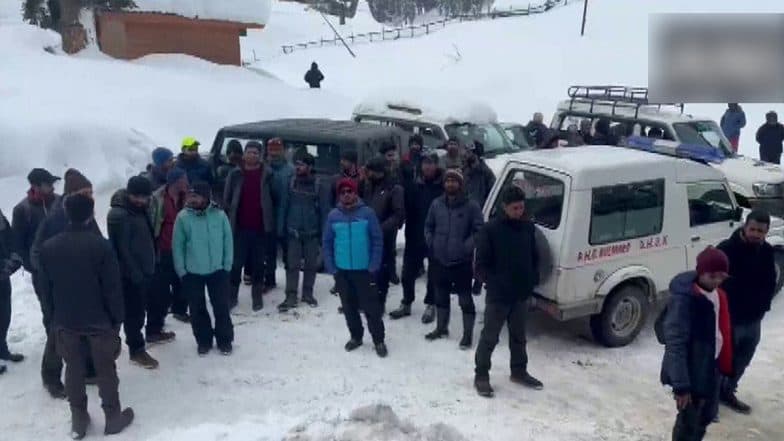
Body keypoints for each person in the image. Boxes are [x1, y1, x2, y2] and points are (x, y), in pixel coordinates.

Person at [38, 194, 134, 438]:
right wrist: (116, 320)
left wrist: (53, 317)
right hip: (99, 320)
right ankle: (112, 416)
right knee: (105, 369)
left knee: (73, 369)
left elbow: (45, 288)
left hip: (66, 320)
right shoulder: (100, 246)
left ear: (66, 214)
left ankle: (78, 418)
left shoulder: (49, 248)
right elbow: (112, 288)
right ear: (91, 214)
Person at [30, 168, 100, 398]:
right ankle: (51, 377)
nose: (91, 196)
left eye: (91, 191)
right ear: (72, 194)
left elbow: (97, 241)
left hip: (83, 281)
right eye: (85, 192)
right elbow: (37, 253)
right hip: (58, 285)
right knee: (57, 330)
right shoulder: (56, 218)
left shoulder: (85, 212)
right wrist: (51, 277)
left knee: (87, 325)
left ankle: (90, 369)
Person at [473, 186, 541, 398]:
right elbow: (480, 265)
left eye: (521, 207)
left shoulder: (528, 228)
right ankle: (481, 375)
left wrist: (532, 280)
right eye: (514, 208)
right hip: (499, 296)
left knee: (519, 337)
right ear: (504, 207)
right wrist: (494, 283)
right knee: (490, 337)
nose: (519, 211)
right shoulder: (491, 230)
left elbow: (534, 257)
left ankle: (519, 371)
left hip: (520, 294)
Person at [660, 247, 733, 441]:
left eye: (722, 276)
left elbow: (722, 328)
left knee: (707, 415)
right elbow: (675, 344)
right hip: (691, 372)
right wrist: (681, 386)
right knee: (688, 422)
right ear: (701, 272)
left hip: (711, 366)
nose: (717, 281)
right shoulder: (685, 300)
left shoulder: (718, 295)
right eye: (712, 276)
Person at [716, 210, 776, 414]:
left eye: (761, 231)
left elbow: (770, 282)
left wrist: (763, 306)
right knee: (720, 362)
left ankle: (727, 392)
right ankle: (709, 402)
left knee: (742, 361)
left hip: (753, 320)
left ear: (766, 232)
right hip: (728, 319)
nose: (756, 234)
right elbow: (712, 282)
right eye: (753, 229)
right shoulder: (726, 250)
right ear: (744, 226)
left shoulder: (767, 252)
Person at [107, 176, 170, 370]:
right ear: (129, 194)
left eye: (145, 197)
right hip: (130, 275)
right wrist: (135, 273)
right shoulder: (119, 214)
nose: (142, 200)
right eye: (138, 197)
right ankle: (136, 349)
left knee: (147, 306)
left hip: (145, 269)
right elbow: (122, 248)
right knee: (133, 314)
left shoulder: (138, 210)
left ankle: (147, 336)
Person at [323, 178, 387, 357]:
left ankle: (378, 340)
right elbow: (327, 243)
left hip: (364, 270)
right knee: (349, 307)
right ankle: (356, 336)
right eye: (342, 192)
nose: (346, 195)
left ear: (355, 193)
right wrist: (332, 267)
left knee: (371, 308)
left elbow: (377, 240)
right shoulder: (333, 216)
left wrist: (374, 265)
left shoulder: (367, 213)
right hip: (342, 271)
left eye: (349, 191)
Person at [424, 168, 484, 349]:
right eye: (447, 181)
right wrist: (431, 241)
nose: (450, 184)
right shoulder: (436, 204)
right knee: (440, 296)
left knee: (465, 300)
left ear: (460, 184)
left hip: (461, 263)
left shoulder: (471, 206)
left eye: (454, 181)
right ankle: (441, 328)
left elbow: (479, 230)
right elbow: (428, 225)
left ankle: (467, 335)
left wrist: (467, 246)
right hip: (439, 260)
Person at [173, 181, 234, 356]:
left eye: (196, 195)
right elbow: (178, 245)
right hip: (192, 272)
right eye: (190, 195)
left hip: (218, 270)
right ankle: (204, 340)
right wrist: (181, 270)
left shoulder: (220, 215)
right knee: (197, 308)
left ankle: (225, 340)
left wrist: (227, 264)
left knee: (221, 306)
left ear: (206, 197)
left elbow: (228, 241)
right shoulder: (183, 217)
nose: (192, 199)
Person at [390, 153, 442, 322]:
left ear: (436, 165)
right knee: (407, 273)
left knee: (433, 273)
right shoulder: (413, 185)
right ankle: (406, 302)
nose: (427, 167)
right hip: (414, 235)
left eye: (431, 163)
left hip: (435, 236)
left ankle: (431, 304)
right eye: (425, 163)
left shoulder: (442, 186)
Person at [223, 141, 275, 311]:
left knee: (259, 264)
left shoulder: (267, 173)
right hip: (239, 227)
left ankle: (257, 295)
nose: (252, 155)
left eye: (255, 152)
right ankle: (231, 295)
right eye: (249, 152)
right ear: (244, 154)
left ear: (260, 155)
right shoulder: (235, 173)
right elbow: (227, 198)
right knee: (235, 264)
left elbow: (275, 198)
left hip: (260, 226)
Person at [278, 154, 328, 311]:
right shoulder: (290, 183)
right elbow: (283, 207)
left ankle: (308, 293)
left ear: (310, 167)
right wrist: (281, 229)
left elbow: (324, 211)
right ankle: (291, 295)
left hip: (311, 233)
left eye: (301, 164)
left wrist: (324, 234)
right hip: (293, 232)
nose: (298, 167)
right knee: (292, 265)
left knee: (311, 265)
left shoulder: (319, 185)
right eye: (297, 164)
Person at [360, 157, 405, 312]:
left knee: (381, 273)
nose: (368, 174)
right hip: (365, 235)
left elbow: (398, 215)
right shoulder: (367, 185)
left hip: (383, 236)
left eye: (370, 171)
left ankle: (379, 304)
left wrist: (379, 228)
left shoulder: (394, 188)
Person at [148, 168, 190, 330]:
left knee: (182, 281)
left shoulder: (186, 197)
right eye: (184, 179)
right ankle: (155, 325)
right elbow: (152, 223)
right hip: (163, 249)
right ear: (176, 181)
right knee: (160, 289)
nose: (187, 182)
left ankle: (180, 310)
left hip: (182, 248)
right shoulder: (158, 199)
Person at [329, 150, 362, 298]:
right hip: (340, 217)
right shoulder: (336, 178)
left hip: (356, 218)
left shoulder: (361, 178)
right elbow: (331, 198)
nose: (342, 163)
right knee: (340, 251)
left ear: (352, 162)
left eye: (345, 160)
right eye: (342, 160)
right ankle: (339, 282)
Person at [463, 141, 495, 294]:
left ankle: (478, 280)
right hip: (465, 214)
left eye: (470, 152)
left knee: (480, 250)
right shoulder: (465, 170)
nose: (466, 154)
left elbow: (492, 194)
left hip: (480, 215)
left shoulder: (486, 173)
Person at [265, 137, 294, 291]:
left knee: (289, 255)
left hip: (288, 216)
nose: (274, 152)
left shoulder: (290, 170)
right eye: (272, 149)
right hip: (269, 217)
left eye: (277, 149)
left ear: (283, 150)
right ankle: (269, 280)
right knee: (268, 252)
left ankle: (291, 285)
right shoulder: (264, 169)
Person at [1, 208, 23, 374]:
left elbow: (9, 235)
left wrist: (13, 258)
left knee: (4, 313)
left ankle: (2, 348)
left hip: (2, 273)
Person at [215, 140, 244, 207]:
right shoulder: (222, 169)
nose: (233, 155)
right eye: (231, 153)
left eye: (236, 153)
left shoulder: (245, 169)